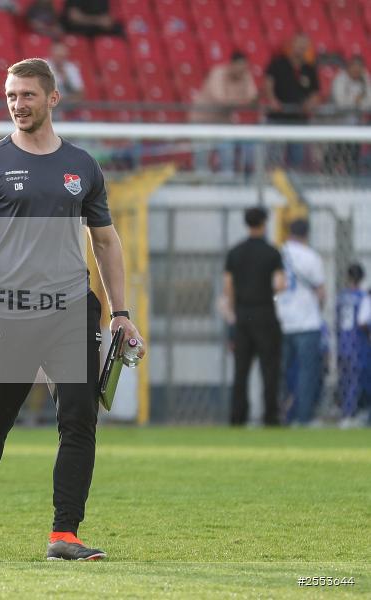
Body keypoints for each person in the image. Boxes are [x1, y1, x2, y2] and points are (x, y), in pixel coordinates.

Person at [0, 58, 144, 560]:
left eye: (28, 95)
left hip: (71, 311)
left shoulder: (83, 166)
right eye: (11, 95)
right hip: (7, 312)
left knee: (79, 421)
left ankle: (64, 533)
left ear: (52, 98)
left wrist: (120, 313)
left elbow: (105, 241)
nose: (17, 104)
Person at [223, 207, 286, 426]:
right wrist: (271, 294)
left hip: (242, 315)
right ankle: (271, 416)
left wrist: (233, 311)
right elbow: (279, 284)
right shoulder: (272, 252)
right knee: (269, 368)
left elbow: (228, 286)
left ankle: (238, 416)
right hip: (265, 313)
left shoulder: (235, 252)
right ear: (264, 223)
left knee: (241, 370)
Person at [275, 218, 325, 426]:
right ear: (306, 234)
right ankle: (303, 417)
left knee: (279, 372)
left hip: (280, 319)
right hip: (307, 322)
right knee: (307, 373)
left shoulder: (277, 254)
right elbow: (321, 292)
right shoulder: (311, 256)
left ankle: (278, 415)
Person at [190, 51, 258, 174]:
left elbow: (253, 98)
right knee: (201, 160)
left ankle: (227, 183)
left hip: (224, 122)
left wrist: (243, 101)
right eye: (239, 68)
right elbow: (220, 100)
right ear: (231, 64)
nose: (242, 72)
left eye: (244, 68)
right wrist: (242, 101)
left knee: (227, 157)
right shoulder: (218, 73)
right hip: (202, 120)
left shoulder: (245, 75)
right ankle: (200, 185)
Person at [263, 34, 320, 167]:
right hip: (277, 117)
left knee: (297, 158)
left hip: (299, 120)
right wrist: (272, 100)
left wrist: (310, 104)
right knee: (273, 156)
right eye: (299, 45)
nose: (301, 48)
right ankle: (272, 183)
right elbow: (268, 83)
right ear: (292, 45)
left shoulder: (309, 69)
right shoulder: (278, 63)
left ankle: (292, 184)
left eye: (304, 46)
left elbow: (315, 93)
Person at [335, 263, 370, 428]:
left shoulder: (341, 296)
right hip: (358, 343)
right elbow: (363, 321)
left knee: (345, 378)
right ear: (362, 278)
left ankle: (346, 412)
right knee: (357, 379)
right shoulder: (363, 297)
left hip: (343, 342)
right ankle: (351, 414)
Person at [328, 55, 371, 173]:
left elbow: (369, 103)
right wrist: (356, 101)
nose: (356, 71)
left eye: (359, 69)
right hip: (337, 127)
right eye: (354, 68)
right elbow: (341, 103)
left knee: (353, 159)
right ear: (348, 67)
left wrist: (356, 102)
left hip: (356, 127)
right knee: (333, 157)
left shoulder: (364, 79)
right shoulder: (339, 79)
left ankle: (352, 179)